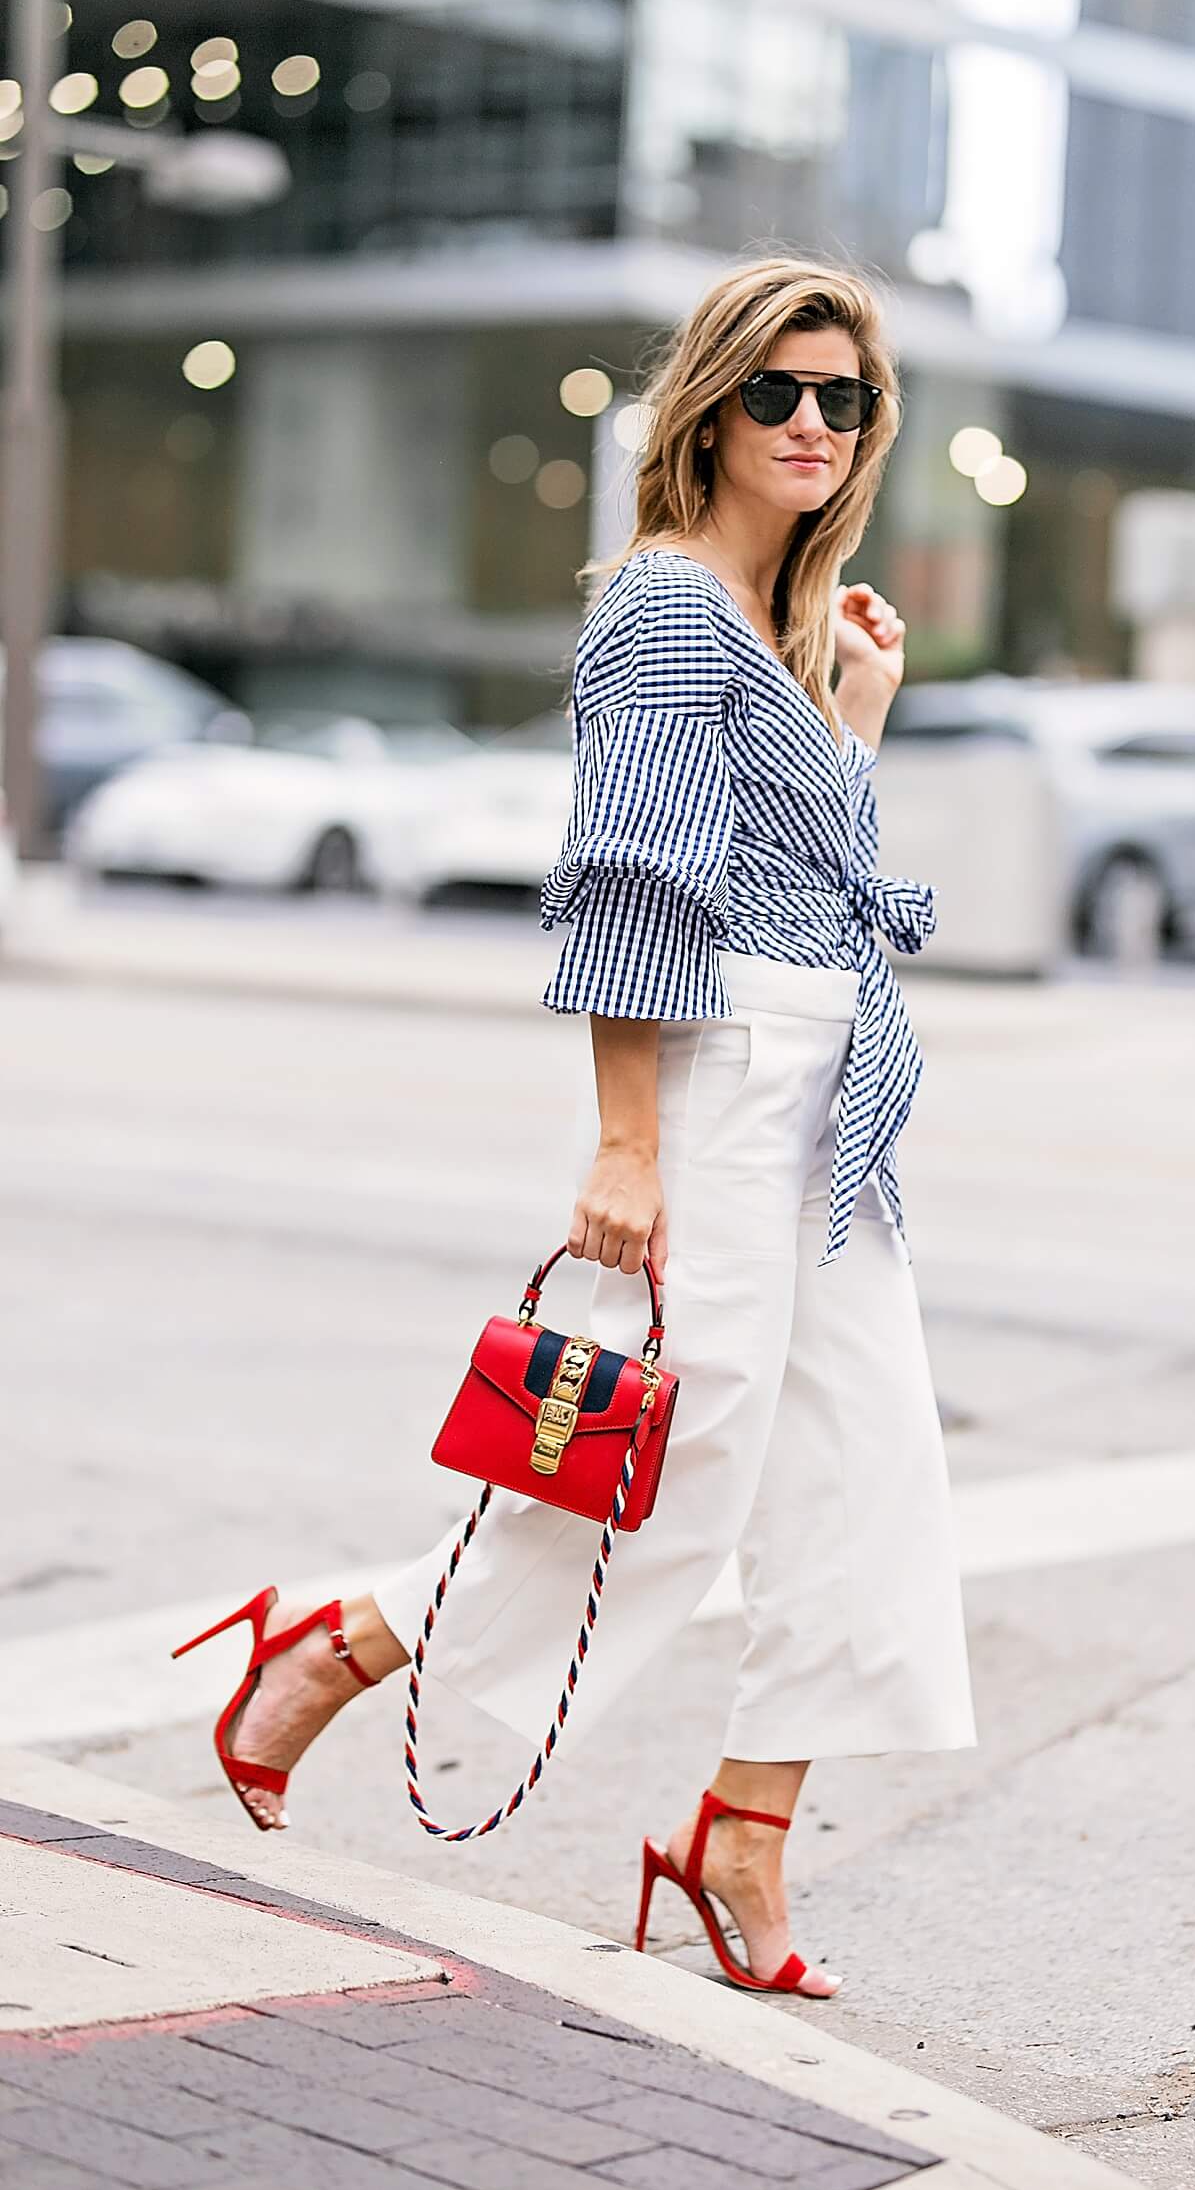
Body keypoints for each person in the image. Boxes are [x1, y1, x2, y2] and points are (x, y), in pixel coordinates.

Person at [174, 255, 977, 2000]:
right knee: (669, 1472)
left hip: (833, 1108)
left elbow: (796, 867)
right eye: (780, 391)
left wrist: (849, 714)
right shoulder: (669, 610)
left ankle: (739, 1833)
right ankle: (338, 1638)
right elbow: (633, 887)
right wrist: (625, 1145)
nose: (816, 426)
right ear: (710, 406)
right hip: (727, 1089)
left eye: (845, 399)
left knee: (875, 1491)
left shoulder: (772, 624)